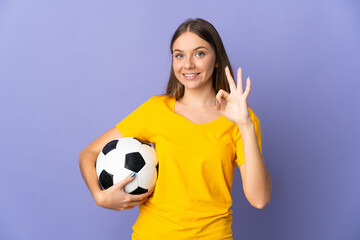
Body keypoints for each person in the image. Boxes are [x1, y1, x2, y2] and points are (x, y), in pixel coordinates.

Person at [79, 18, 272, 240]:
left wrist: (245, 125)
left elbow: (260, 199)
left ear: (217, 59)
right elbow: (89, 153)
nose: (188, 64)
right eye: (179, 55)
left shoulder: (241, 120)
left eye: (199, 53)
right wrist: (99, 196)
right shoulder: (156, 110)